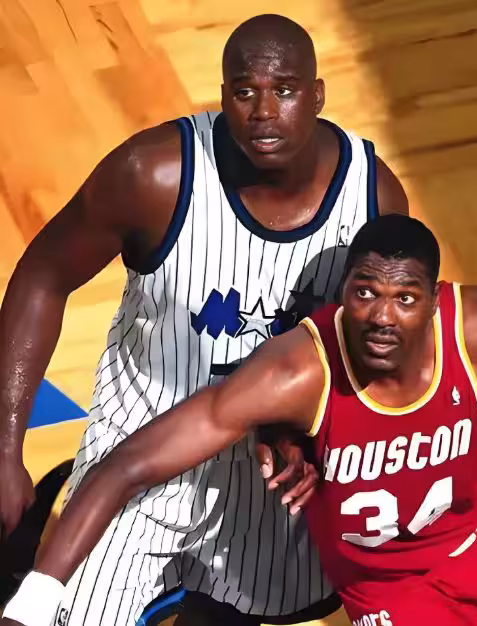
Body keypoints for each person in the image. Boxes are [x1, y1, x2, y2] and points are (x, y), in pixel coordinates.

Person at [5, 214, 477, 626]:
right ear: (343, 293)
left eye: (405, 299)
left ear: (434, 301)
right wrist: (33, 603)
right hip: (392, 587)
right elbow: (131, 463)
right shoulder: (297, 373)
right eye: (365, 293)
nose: (382, 317)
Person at [0, 13, 408, 626]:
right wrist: (5, 446)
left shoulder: (374, 198)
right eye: (245, 92)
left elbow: (389, 354)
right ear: (222, 96)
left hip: (274, 478)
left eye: (285, 90)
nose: (263, 112)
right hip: (136, 462)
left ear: (318, 95)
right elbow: (42, 276)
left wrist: (321, 440)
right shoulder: (151, 174)